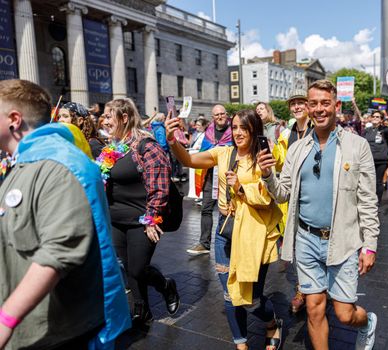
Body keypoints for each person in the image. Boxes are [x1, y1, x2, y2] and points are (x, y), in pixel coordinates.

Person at [0, 79, 129, 349]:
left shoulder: (59, 165)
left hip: (54, 333)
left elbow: (60, 249)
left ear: (14, 119)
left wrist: (5, 319)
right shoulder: (26, 162)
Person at [258, 80, 379, 350]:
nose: (319, 109)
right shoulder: (297, 148)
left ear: (336, 106)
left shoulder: (357, 146)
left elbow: (368, 201)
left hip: (344, 241)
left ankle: (367, 322)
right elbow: (283, 193)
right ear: (308, 108)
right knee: (314, 309)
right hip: (307, 240)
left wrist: (370, 245)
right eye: (314, 104)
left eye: (325, 103)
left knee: (345, 314)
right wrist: (268, 175)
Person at [166, 109, 284, 350]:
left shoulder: (263, 159)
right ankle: (241, 344)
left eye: (244, 128)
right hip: (225, 231)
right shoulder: (224, 153)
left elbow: (267, 199)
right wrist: (172, 141)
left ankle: (272, 322)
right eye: (235, 127)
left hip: (254, 233)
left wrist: (240, 187)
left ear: (254, 131)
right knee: (231, 294)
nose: (238, 133)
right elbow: (189, 161)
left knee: (251, 300)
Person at [98, 98, 180, 325]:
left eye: (108, 116)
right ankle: (142, 310)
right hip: (115, 219)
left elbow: (160, 185)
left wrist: (152, 218)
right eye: (104, 116)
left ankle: (166, 286)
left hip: (142, 220)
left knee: (138, 268)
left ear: (124, 118)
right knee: (126, 267)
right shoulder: (110, 148)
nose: (104, 120)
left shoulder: (147, 146)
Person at [272, 90, 314, 315]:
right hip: (293, 198)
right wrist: (271, 151)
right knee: (298, 246)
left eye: (301, 103)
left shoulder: (317, 129)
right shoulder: (286, 134)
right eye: (293, 104)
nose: (297, 107)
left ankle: (318, 288)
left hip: (315, 194)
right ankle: (302, 289)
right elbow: (281, 164)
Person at [186, 105, 232, 256]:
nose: (219, 117)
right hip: (211, 175)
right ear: (213, 117)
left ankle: (230, 242)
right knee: (206, 209)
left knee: (228, 210)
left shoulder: (233, 130)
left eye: (222, 114)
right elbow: (203, 151)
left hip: (229, 176)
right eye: (216, 115)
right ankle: (204, 243)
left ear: (226, 115)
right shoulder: (209, 132)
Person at [362, 110, 388, 203]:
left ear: (381, 120)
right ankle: (367, 200)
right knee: (367, 181)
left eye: (377, 117)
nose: (375, 118)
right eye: (373, 116)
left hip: (381, 161)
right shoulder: (367, 130)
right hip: (368, 160)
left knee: (378, 182)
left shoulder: (385, 130)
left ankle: (377, 202)